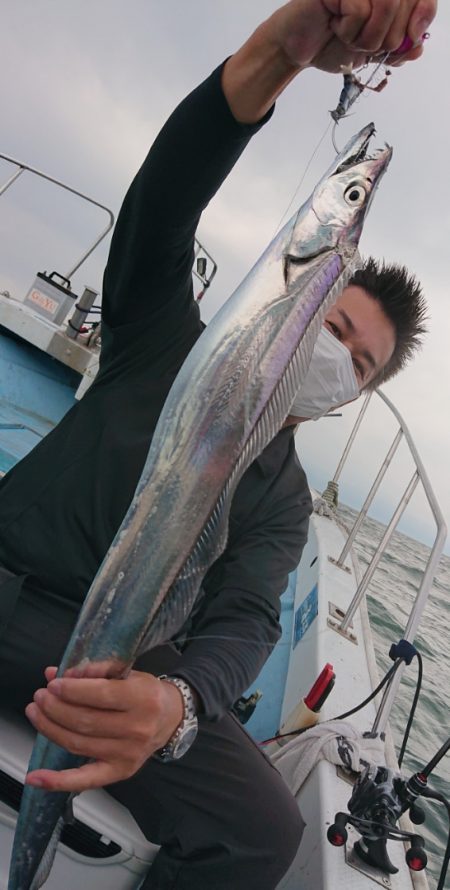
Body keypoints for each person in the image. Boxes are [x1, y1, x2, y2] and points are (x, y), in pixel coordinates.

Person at [0, 1, 433, 888]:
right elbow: (165, 195)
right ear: (301, 288)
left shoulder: (283, 500)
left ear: (359, 394)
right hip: (9, 578)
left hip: (115, 676)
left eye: (360, 362)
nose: (336, 354)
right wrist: (289, 44)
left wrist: (177, 706)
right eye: (335, 321)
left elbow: (246, 618)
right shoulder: (166, 335)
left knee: (264, 836)